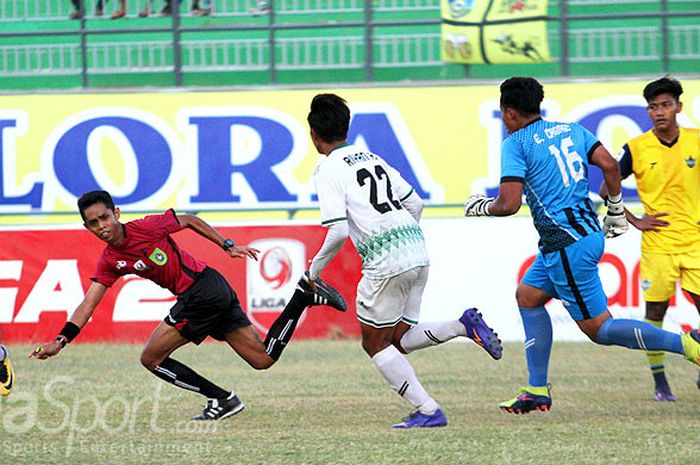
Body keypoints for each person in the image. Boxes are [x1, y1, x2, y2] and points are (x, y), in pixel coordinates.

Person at [463, 76, 700, 414]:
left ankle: (688, 344)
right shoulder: (570, 130)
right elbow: (609, 165)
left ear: (510, 112)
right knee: (528, 296)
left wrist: (480, 206)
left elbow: (509, 204)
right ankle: (535, 388)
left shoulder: (515, 143)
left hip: (566, 244)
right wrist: (617, 208)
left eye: (504, 114)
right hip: (583, 234)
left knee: (599, 329)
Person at [29, 190, 346, 420]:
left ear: (117, 213)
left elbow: (189, 220)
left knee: (151, 357)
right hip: (209, 292)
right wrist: (61, 341)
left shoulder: (147, 227)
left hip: (202, 291)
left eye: (105, 217)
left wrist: (228, 246)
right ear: (87, 228)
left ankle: (221, 398)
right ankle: (302, 296)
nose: (102, 227)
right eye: (94, 223)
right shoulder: (110, 260)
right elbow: (88, 303)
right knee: (262, 359)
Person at [306, 94, 503, 429]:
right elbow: (416, 203)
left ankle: (428, 410)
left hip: (387, 260)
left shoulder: (327, 169)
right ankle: (462, 325)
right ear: (346, 126)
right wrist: (401, 238)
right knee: (400, 338)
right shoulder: (371, 157)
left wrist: (313, 271)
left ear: (313, 134)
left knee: (373, 343)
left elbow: (338, 230)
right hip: (416, 248)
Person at [604, 76, 700, 401]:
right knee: (655, 312)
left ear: (678, 107)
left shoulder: (697, 140)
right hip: (659, 244)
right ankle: (660, 383)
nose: (660, 112)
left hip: (695, 240)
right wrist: (634, 219)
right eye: (654, 107)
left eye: (666, 105)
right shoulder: (636, 148)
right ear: (648, 111)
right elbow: (607, 189)